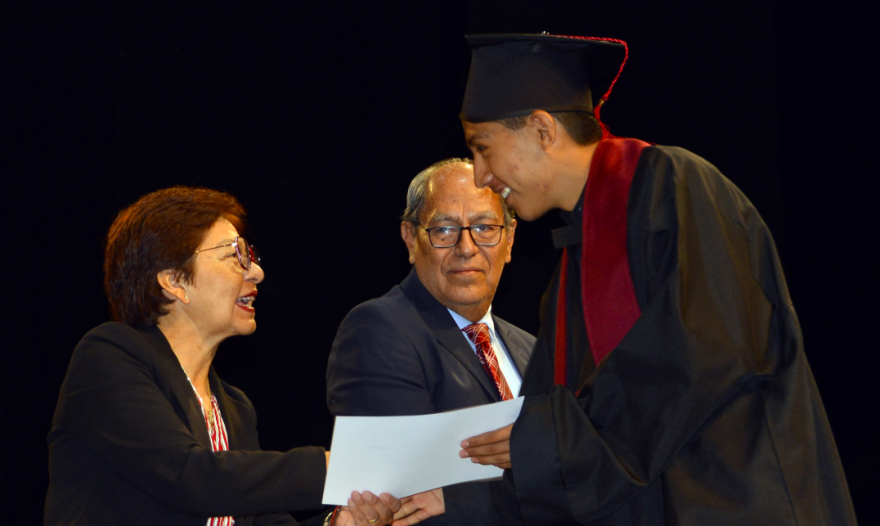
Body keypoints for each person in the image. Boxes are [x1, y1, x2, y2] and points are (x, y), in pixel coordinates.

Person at [396, 34, 857, 525]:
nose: (482, 175)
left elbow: (695, 357)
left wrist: (542, 437)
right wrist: (458, 498)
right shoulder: (568, 281)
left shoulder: (678, 189)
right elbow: (567, 462)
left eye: (483, 148)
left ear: (541, 129)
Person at [45, 186, 400, 526]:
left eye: (251, 257)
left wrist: (340, 522)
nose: (256, 272)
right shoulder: (109, 355)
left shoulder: (234, 406)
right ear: (174, 281)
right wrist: (334, 466)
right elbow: (189, 477)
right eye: (235, 256)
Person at [327, 159, 534, 417]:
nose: (467, 248)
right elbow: (398, 455)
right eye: (444, 229)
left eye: (484, 228)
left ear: (510, 239)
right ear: (411, 239)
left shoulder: (533, 351)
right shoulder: (377, 330)